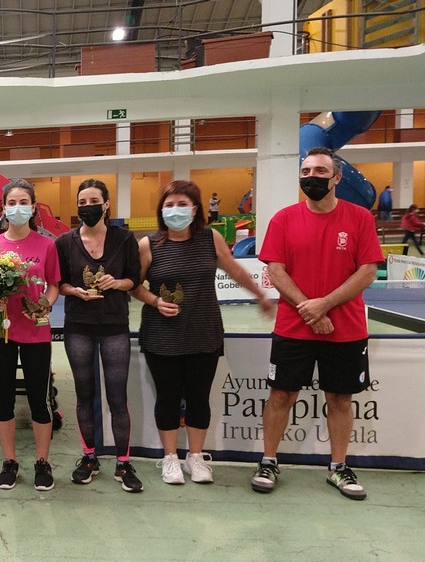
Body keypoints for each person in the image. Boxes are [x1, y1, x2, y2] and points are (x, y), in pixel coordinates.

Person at [253, 147, 383, 501]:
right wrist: (308, 309)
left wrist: (324, 304)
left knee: (340, 398)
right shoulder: (283, 219)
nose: (311, 176)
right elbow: (275, 269)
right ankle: (268, 460)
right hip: (293, 328)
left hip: (346, 329)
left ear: (337, 178)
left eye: (320, 171)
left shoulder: (359, 219)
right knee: (280, 395)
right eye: (306, 170)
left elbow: (368, 269)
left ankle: (338, 467)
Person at [133, 180, 273, 486]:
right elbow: (133, 286)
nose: (175, 210)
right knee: (167, 398)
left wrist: (259, 294)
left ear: (195, 209)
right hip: (161, 335)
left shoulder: (210, 239)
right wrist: (155, 301)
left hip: (204, 332)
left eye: (182, 204)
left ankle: (195, 457)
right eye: (169, 205)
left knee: (199, 398)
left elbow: (235, 269)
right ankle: (170, 458)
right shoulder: (149, 244)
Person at [56, 179, 143, 493]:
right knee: (84, 395)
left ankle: (123, 461)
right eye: (82, 202)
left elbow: (134, 279)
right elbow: (60, 282)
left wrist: (114, 283)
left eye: (94, 200)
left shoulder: (125, 239)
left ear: (106, 204)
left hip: (114, 326)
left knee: (117, 398)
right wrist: (74, 291)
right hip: (78, 325)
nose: (87, 206)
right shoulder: (64, 241)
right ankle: (89, 457)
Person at [0, 179, 60, 491]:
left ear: (33, 206)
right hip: (0, 331)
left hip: (36, 333)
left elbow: (54, 283)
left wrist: (46, 303)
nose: (17, 207)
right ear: (3, 208)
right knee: (5, 400)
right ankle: (9, 461)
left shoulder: (47, 245)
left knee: (39, 400)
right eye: (11, 202)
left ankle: (42, 461)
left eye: (23, 202)